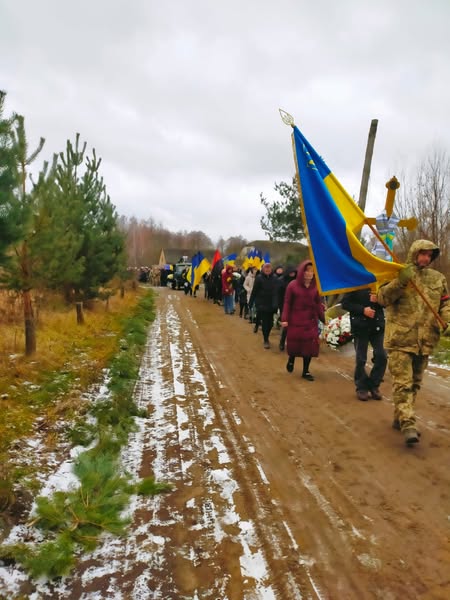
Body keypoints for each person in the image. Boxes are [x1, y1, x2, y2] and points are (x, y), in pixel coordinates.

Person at [377, 239, 450, 446]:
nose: (425, 258)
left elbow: (445, 303)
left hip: (426, 340)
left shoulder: (438, 278)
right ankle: (408, 423)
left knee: (415, 384)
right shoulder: (395, 273)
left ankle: (399, 415)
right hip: (401, 339)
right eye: (422, 253)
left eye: (429, 255)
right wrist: (400, 282)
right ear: (414, 253)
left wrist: (447, 319)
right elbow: (382, 299)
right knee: (403, 383)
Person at [281, 260, 325, 380]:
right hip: (296, 320)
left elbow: (318, 304)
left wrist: (324, 319)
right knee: (295, 344)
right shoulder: (292, 286)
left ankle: (306, 371)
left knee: (309, 346)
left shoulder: (315, 287)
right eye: (307, 271)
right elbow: (287, 303)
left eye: (312, 271)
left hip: (310, 321)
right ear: (301, 272)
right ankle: (291, 359)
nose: (309, 273)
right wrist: (284, 318)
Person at [342, 288, 387, 401]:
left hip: (377, 325)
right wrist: (362, 310)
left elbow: (388, 302)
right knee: (361, 359)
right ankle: (361, 387)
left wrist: (380, 300)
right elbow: (345, 303)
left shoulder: (380, 280)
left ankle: (374, 385)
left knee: (382, 356)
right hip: (360, 326)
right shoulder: (356, 281)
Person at [248, 262, 278, 349]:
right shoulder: (259, 278)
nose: (268, 270)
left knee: (271, 323)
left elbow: (276, 292)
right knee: (265, 323)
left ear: (271, 269)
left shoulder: (275, 278)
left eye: (269, 268)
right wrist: (251, 302)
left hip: (272, 304)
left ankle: (267, 334)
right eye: (266, 268)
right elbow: (254, 291)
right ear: (263, 269)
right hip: (262, 303)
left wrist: (276, 303)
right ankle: (266, 339)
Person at [278, 265, 297, 351]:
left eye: (294, 272)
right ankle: (282, 342)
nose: (292, 274)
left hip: (296, 306)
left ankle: (292, 343)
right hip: (284, 305)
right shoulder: (281, 281)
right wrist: (280, 306)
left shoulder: (297, 281)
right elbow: (279, 294)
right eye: (291, 272)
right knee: (286, 326)